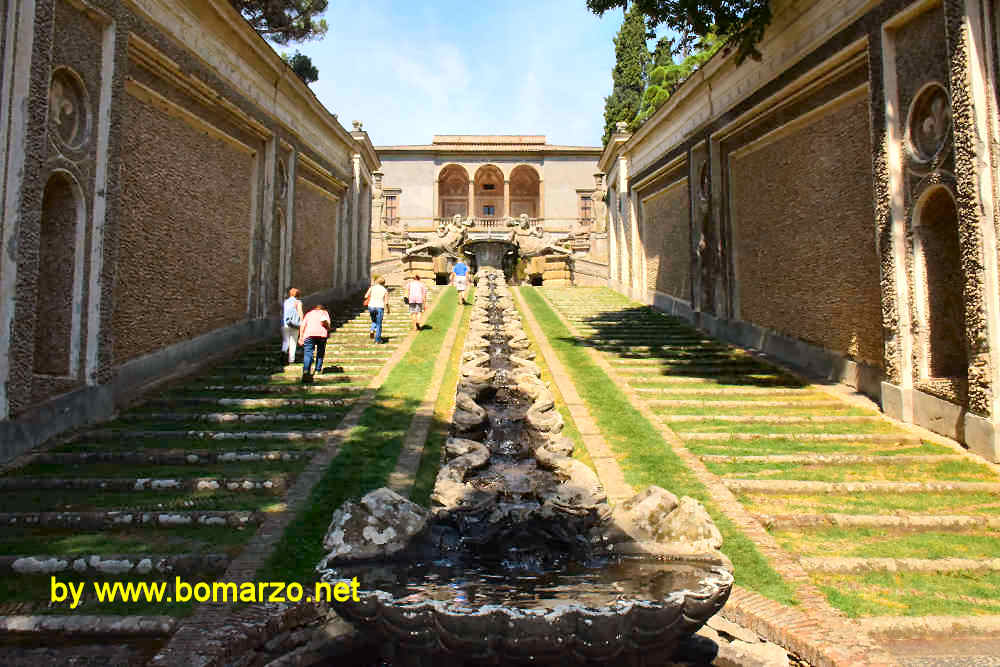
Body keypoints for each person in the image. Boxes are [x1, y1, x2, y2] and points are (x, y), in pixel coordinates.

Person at [297, 304, 330, 382]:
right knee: (320, 352)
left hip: (309, 334)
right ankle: (318, 370)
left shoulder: (309, 314)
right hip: (321, 335)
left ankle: (306, 371)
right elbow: (328, 325)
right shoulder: (324, 313)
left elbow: (303, 325)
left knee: (308, 353)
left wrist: (301, 337)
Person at [281, 288, 304, 365]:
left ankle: (283, 354)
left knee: (285, 341)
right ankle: (291, 359)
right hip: (295, 324)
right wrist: (302, 322)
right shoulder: (298, 302)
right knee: (293, 342)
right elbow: (300, 313)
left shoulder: (285, 302)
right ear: (298, 295)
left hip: (286, 324)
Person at [364, 276, 390, 344]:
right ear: (383, 283)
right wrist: (388, 309)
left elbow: (366, 296)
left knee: (373, 320)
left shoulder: (372, 288)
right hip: (379, 307)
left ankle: (372, 330)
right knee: (379, 324)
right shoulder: (385, 290)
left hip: (371, 306)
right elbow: (386, 302)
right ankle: (377, 340)